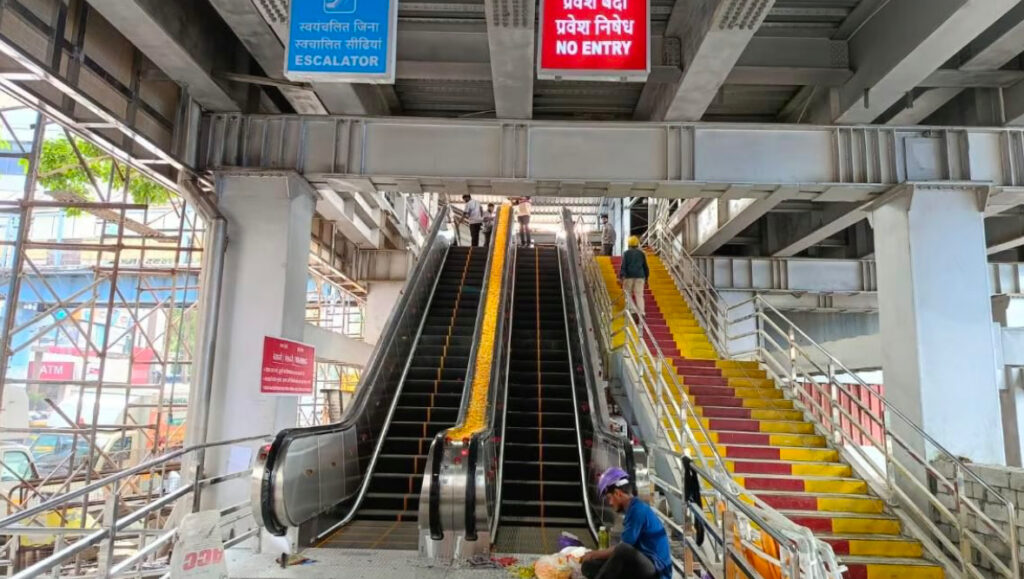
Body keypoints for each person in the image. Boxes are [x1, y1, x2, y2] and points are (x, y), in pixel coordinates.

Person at [581, 468, 672, 579]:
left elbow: (624, 548)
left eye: (609, 498)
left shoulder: (638, 510)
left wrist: (594, 554)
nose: (610, 503)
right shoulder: (632, 509)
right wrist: (593, 557)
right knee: (589, 566)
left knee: (622, 550)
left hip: (656, 572)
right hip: (640, 565)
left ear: (618, 493)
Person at [619, 236, 649, 320]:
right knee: (639, 295)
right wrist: (646, 278)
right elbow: (645, 267)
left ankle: (632, 311)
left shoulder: (626, 253)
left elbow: (623, 265)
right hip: (640, 276)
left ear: (629, 244)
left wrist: (621, 276)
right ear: (637, 244)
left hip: (629, 277)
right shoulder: (642, 253)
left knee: (628, 294)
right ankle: (641, 313)